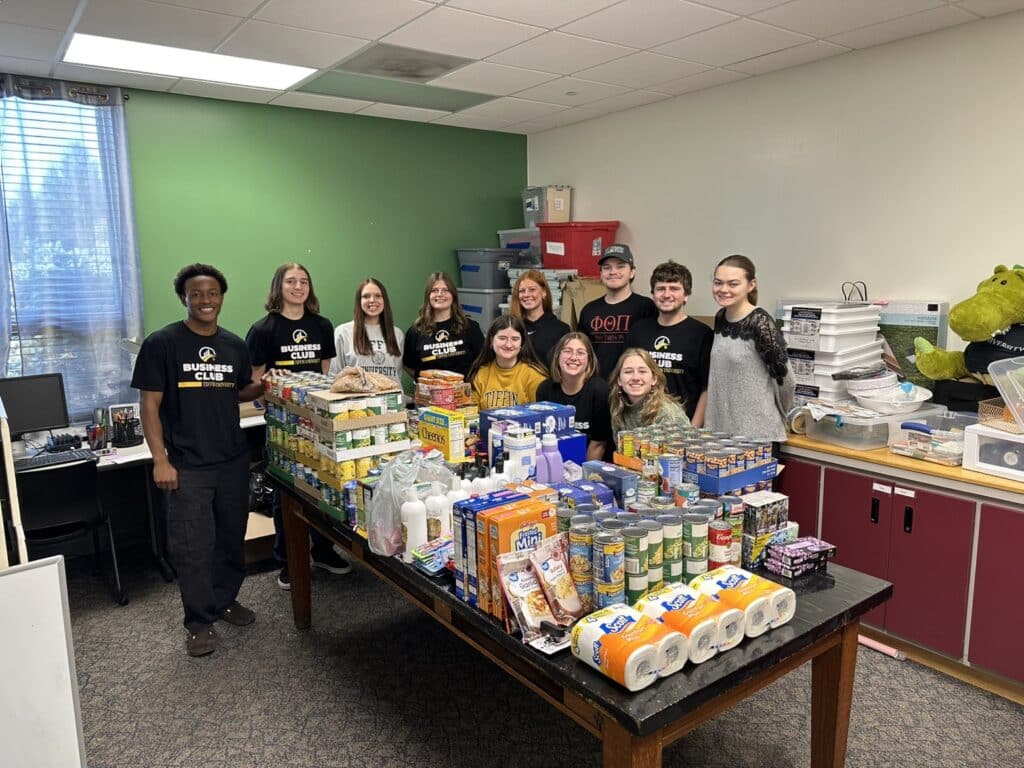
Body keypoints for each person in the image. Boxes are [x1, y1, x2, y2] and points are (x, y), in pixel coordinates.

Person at [132, 263, 263, 658]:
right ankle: (198, 622)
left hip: (233, 461)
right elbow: (149, 406)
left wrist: (262, 388)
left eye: (213, 293)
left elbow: (237, 391)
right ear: (184, 298)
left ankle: (224, 600)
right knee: (193, 546)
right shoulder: (163, 343)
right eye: (197, 294)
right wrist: (161, 460)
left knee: (229, 540)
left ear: (222, 297)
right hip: (187, 464)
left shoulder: (235, 345)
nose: (206, 300)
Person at [245, 263, 349, 591]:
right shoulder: (262, 329)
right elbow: (255, 380)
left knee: (324, 486)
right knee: (285, 492)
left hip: (317, 424)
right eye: (291, 281)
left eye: (304, 281)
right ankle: (288, 561)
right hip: (283, 425)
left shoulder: (321, 325)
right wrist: (271, 407)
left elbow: (325, 375)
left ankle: (321, 551)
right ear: (279, 287)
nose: (298, 287)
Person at [705, 254, 795, 443]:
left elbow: (786, 380)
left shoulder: (760, 323)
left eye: (733, 284)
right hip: (721, 433)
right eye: (718, 283)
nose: (723, 289)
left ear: (751, 285)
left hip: (756, 435)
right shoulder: (721, 317)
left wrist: (779, 414)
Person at [625, 260, 712, 427]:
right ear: (653, 294)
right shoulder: (638, 331)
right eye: (660, 289)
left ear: (686, 295)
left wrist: (692, 430)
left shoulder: (702, 334)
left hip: (683, 426)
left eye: (674, 288)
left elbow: (707, 389)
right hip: (642, 426)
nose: (666, 294)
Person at [578, 244, 657, 380]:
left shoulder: (646, 307)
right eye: (607, 268)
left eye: (620, 266)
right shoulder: (589, 310)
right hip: (597, 385)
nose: (613, 272)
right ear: (601, 274)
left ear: (632, 272)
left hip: (634, 386)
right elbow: (582, 352)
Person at [536, 332, 612, 461]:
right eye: (567, 351)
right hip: (553, 461)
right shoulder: (545, 389)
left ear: (589, 359)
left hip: (590, 465)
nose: (573, 357)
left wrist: (584, 477)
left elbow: (599, 444)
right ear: (557, 356)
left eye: (580, 353)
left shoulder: (600, 390)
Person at [403, 272, 484, 379]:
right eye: (434, 290)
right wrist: (426, 383)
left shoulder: (470, 327)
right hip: (429, 394)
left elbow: (483, 362)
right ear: (428, 296)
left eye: (446, 290)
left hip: (465, 394)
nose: (440, 294)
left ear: (453, 295)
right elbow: (408, 365)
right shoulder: (416, 331)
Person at [329, 277, 404, 391]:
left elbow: (397, 373)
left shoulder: (397, 333)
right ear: (359, 301)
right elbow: (335, 375)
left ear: (385, 300)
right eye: (366, 296)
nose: (372, 300)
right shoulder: (343, 332)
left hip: (393, 403)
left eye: (378, 296)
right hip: (357, 405)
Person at [467, 314, 547, 409]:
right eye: (502, 338)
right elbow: (472, 417)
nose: (508, 345)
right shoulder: (481, 373)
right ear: (491, 340)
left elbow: (541, 416)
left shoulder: (534, 375)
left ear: (522, 343)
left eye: (515, 339)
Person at [609, 348, 689, 441]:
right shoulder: (618, 409)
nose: (635, 377)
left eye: (642, 371)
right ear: (619, 380)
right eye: (628, 371)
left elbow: (681, 453)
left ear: (654, 379)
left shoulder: (668, 414)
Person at [509, 270, 569, 367]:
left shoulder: (561, 329)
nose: (526, 295)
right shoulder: (512, 327)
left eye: (532, 289)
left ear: (544, 292)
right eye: (522, 291)